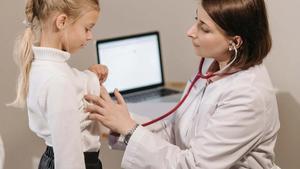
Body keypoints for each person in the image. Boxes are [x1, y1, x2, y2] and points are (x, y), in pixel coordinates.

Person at [84, 0, 281, 168]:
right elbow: (175, 130)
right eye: (197, 20)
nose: (190, 32)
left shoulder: (249, 96)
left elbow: (193, 165)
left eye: (204, 28)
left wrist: (129, 129)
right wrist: (121, 120)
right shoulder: (211, 68)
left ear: (235, 42)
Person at [9, 0, 107, 169]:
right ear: (62, 22)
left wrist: (91, 76)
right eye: (87, 28)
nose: (90, 36)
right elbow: (70, 160)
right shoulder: (58, 81)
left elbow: (73, 84)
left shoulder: (47, 68)